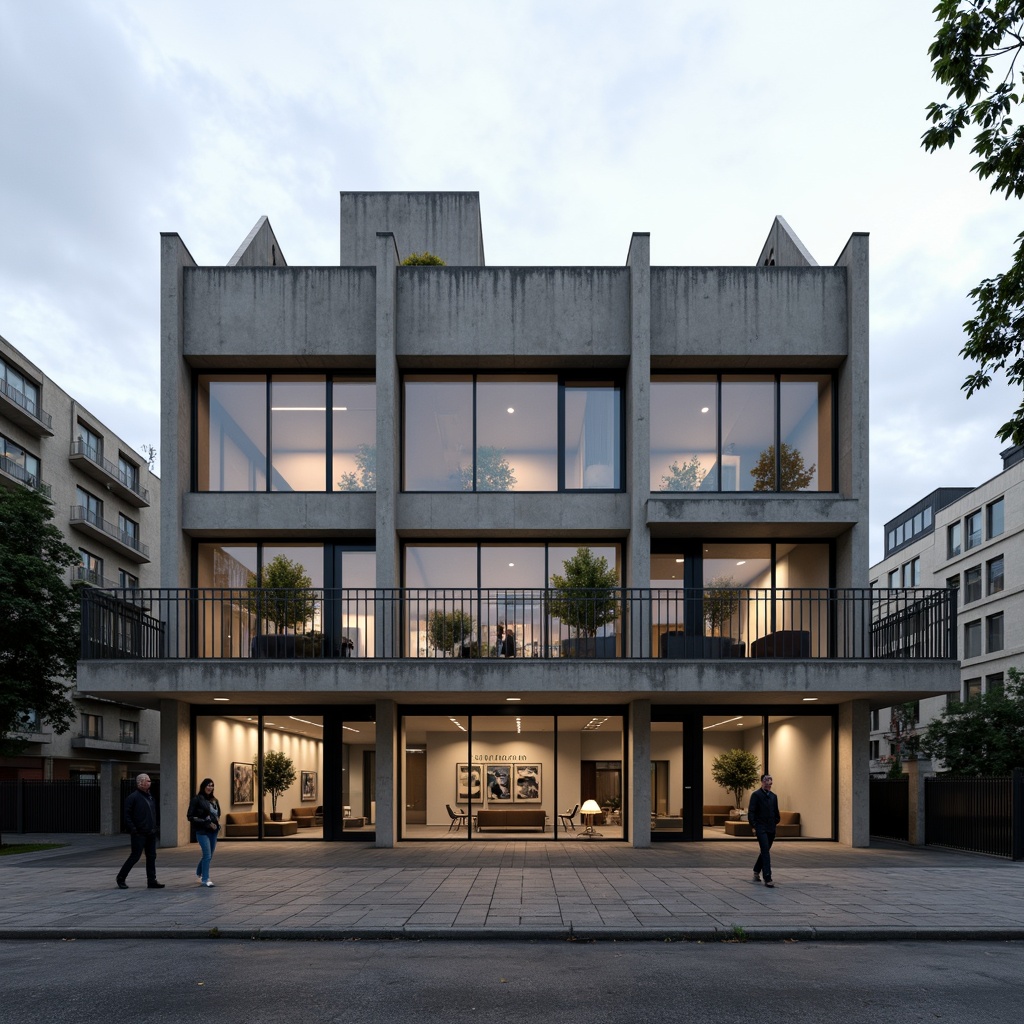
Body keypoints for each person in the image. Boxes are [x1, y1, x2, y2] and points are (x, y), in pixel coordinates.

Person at [116, 773, 163, 889]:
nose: (149, 783)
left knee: (152, 856)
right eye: (147, 781)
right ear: (140, 783)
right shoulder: (133, 797)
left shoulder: (150, 797)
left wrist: (155, 827)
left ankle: (152, 880)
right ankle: (121, 878)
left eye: (149, 781)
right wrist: (134, 829)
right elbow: (127, 816)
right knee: (135, 856)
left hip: (151, 832)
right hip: (139, 833)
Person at [748, 772, 780, 888]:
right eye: (766, 783)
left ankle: (756, 870)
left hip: (771, 827)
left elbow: (776, 812)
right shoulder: (756, 795)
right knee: (765, 850)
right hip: (760, 827)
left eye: (770, 784)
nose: (768, 786)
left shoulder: (773, 796)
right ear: (762, 782)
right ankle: (768, 877)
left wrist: (776, 820)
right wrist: (754, 825)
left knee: (765, 850)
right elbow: (751, 811)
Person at [187, 777, 221, 887]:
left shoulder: (215, 800)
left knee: (209, 855)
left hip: (213, 831)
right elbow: (190, 816)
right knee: (207, 855)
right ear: (203, 786)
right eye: (208, 785)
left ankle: (199, 872)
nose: (210, 787)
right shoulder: (197, 799)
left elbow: (217, 814)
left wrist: (216, 823)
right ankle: (205, 879)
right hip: (202, 831)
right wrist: (207, 822)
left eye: (212, 785)